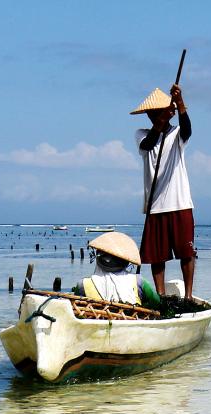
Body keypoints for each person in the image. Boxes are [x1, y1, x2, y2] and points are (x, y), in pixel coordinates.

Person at [130, 83, 196, 304]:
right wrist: (161, 120)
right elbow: (149, 144)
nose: (151, 116)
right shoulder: (142, 135)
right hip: (155, 204)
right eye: (149, 113)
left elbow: (187, 129)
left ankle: (188, 296)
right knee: (157, 256)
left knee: (186, 253)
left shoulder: (177, 134)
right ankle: (160, 295)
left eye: (155, 112)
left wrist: (180, 103)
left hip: (180, 202)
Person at [70, 232, 165, 311]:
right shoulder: (138, 281)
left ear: (98, 259)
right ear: (125, 262)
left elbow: (78, 305)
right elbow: (156, 302)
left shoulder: (83, 284)